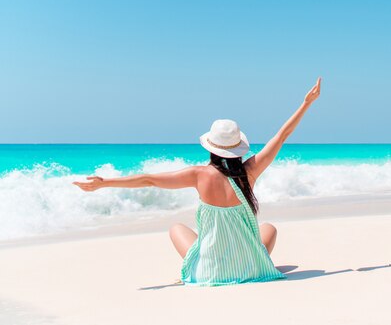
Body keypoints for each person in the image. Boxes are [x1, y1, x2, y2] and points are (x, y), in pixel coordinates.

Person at [73, 77, 322, 286]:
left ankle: (211, 268)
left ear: (211, 147)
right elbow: (281, 136)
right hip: (250, 269)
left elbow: (149, 180)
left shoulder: (198, 175)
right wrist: (306, 103)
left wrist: (104, 183)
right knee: (270, 229)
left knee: (176, 229)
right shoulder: (250, 172)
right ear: (237, 148)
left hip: (209, 273)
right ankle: (245, 262)